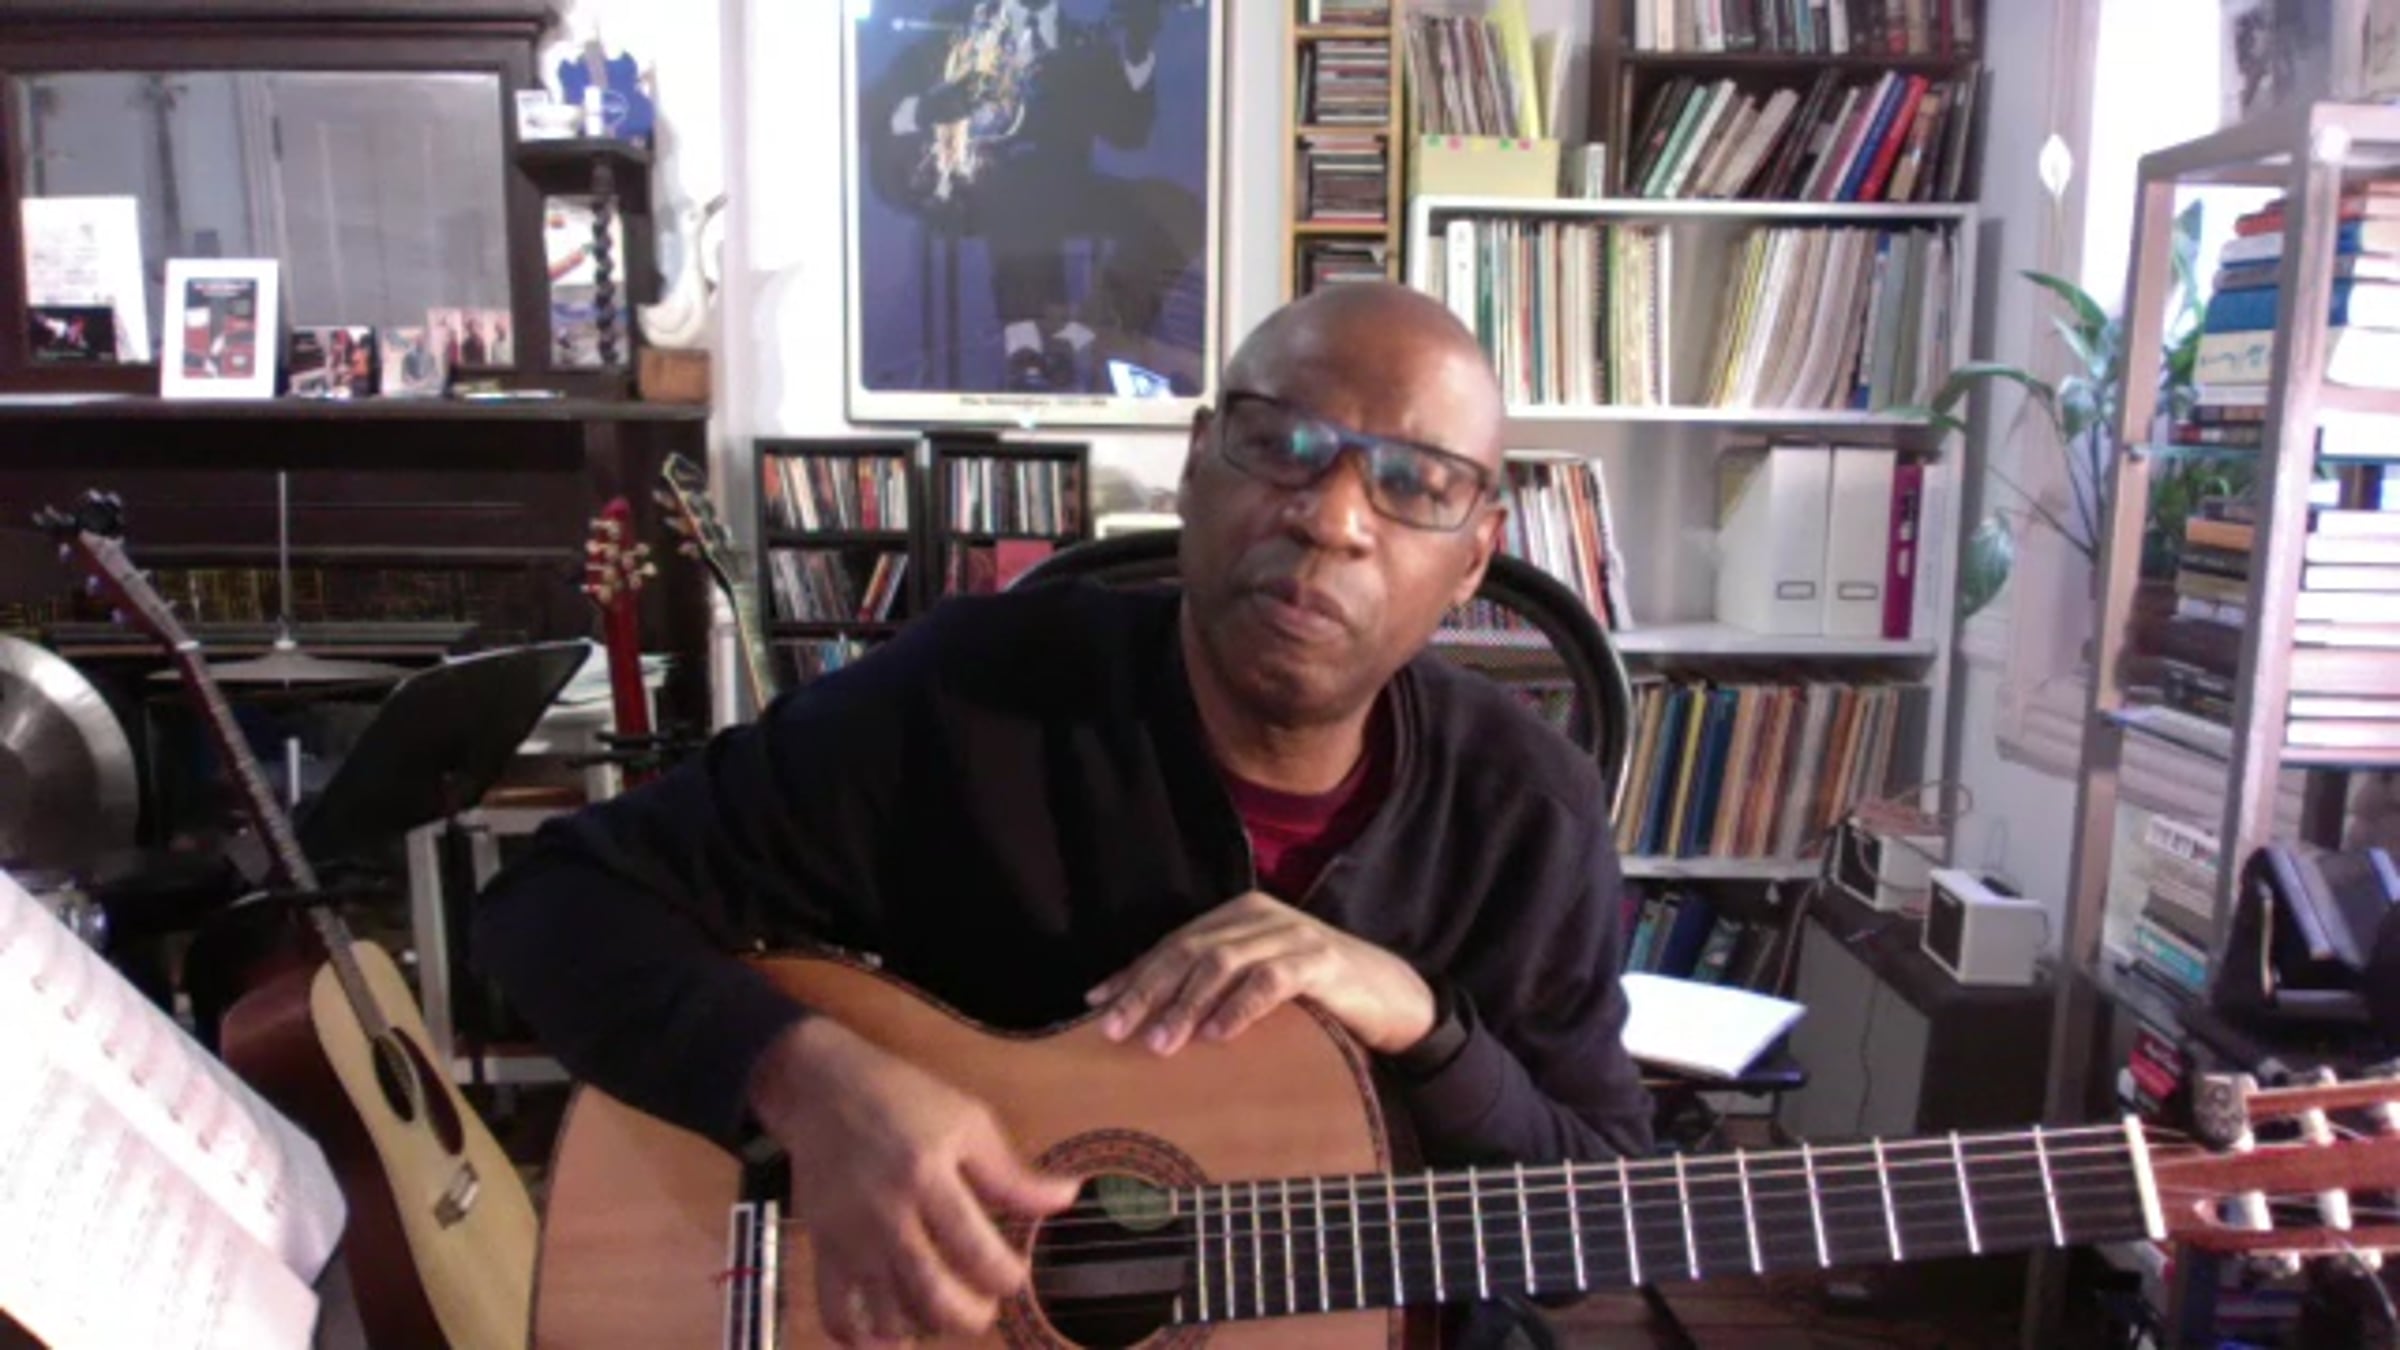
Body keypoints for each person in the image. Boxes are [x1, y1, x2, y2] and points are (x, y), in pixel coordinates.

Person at [474, 281, 1651, 1346]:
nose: (1333, 518)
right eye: (1281, 445)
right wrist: (808, 1086)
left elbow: (1592, 1230)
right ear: (1197, 461)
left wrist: (1425, 1024)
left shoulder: (1528, 811)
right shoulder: (969, 700)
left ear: (1474, 559)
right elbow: (555, 905)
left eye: (1416, 485)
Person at [859, 0, 1200, 393]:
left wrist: (1138, 51)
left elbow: (1130, 133)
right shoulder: (956, 30)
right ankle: (1024, 344)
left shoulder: (1081, 41)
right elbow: (871, 113)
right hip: (969, 192)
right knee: (1024, 189)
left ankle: (1080, 335)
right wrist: (927, 109)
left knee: (1178, 210)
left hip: (1065, 192)